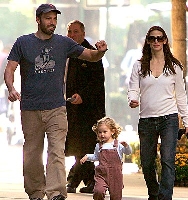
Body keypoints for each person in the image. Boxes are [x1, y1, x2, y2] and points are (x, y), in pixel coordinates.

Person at [4, 3, 107, 200]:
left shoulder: (63, 43)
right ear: (38, 20)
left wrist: (100, 51)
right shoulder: (23, 43)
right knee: (33, 154)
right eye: (48, 19)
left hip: (56, 108)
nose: (52, 22)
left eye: (54, 19)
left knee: (57, 152)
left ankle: (56, 193)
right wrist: (11, 88)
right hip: (31, 108)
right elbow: (10, 69)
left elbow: (91, 56)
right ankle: (35, 192)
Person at [127, 26, 188, 200]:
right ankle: (154, 194)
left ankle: (165, 197)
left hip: (168, 118)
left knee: (167, 159)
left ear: (165, 41)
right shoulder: (139, 65)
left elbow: (181, 95)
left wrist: (187, 121)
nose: (156, 41)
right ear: (148, 41)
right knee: (147, 163)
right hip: (146, 119)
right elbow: (133, 88)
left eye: (159, 38)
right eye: (152, 38)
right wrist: (132, 99)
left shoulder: (174, 67)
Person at [64, 20, 106, 194]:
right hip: (71, 108)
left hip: (89, 110)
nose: (72, 35)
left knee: (86, 147)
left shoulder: (91, 53)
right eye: (69, 32)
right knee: (78, 146)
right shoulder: (67, 53)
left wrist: (83, 95)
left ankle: (73, 180)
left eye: (75, 31)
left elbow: (96, 83)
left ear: (83, 33)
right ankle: (91, 181)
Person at [80, 116, 132, 200]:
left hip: (116, 175)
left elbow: (128, 152)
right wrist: (87, 156)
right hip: (102, 174)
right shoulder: (99, 146)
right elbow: (96, 157)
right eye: (100, 132)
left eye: (105, 132)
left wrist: (126, 146)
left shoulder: (118, 145)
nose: (102, 134)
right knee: (98, 191)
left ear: (112, 131)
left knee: (116, 196)